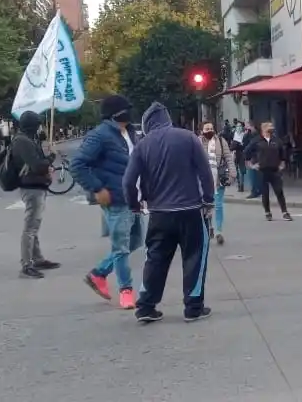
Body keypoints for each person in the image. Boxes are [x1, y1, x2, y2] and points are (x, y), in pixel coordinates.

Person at [123, 102, 214, 323]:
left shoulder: (142, 146)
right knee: (194, 257)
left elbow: (128, 181)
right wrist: (208, 201)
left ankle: (146, 306)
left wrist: (134, 205)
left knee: (155, 259)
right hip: (191, 209)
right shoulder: (188, 138)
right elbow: (205, 172)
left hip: (159, 213)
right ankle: (193, 307)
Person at [70, 95, 145, 310]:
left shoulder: (130, 133)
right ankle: (126, 291)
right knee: (121, 247)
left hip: (134, 197)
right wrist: (97, 188)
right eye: (126, 109)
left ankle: (99, 273)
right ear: (115, 113)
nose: (130, 113)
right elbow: (78, 164)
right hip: (115, 197)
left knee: (134, 242)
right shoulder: (100, 135)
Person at [10, 111, 61, 279]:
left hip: (35, 185)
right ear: (32, 125)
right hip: (31, 187)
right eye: (38, 124)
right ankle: (26, 264)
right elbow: (37, 166)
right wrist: (51, 157)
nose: (40, 127)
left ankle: (37, 258)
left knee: (34, 225)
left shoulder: (27, 139)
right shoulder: (23, 141)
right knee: (30, 227)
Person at [199, 122, 236, 245]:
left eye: (211, 128)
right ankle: (209, 227)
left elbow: (228, 157)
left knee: (218, 204)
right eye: (206, 128)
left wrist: (232, 173)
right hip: (202, 179)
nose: (209, 130)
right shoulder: (197, 142)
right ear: (202, 130)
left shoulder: (221, 141)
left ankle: (219, 231)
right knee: (205, 205)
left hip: (218, 178)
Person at [250, 122, 292, 221]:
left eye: (272, 127)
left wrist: (282, 163)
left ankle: (285, 212)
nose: (272, 128)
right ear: (263, 129)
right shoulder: (256, 141)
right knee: (265, 193)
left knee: (279, 191)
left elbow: (283, 153)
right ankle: (267, 212)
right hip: (262, 170)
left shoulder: (276, 140)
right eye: (270, 127)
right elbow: (247, 152)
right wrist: (252, 164)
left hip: (275, 169)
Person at [231, 122, 248, 193]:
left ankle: (241, 185)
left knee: (242, 171)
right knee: (236, 170)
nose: (239, 127)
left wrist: (240, 145)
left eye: (240, 126)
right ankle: (238, 184)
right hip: (235, 154)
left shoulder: (244, 135)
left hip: (242, 154)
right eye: (237, 126)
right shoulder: (233, 134)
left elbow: (245, 145)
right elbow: (231, 145)